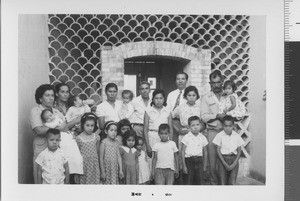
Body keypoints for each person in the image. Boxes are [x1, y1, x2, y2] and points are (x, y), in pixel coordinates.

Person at [30, 84, 68, 184]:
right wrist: (57, 126)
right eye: (47, 95)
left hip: (57, 148)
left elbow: (65, 127)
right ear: (40, 98)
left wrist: (49, 126)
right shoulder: (36, 111)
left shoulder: (56, 111)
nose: (51, 98)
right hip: (41, 146)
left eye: (52, 95)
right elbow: (39, 130)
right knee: (40, 176)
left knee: (57, 176)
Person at [41, 108, 83, 179]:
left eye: (51, 115)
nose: (51, 118)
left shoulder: (57, 118)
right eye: (48, 118)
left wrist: (64, 126)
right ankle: (69, 173)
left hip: (68, 136)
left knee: (75, 154)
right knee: (66, 156)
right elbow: (59, 127)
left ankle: (76, 171)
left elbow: (65, 126)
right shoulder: (49, 124)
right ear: (45, 120)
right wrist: (62, 125)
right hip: (61, 138)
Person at [200, 69, 225, 185]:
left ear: (222, 82)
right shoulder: (206, 98)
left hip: (227, 131)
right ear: (210, 84)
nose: (216, 85)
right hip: (213, 132)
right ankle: (214, 184)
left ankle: (225, 185)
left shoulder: (229, 96)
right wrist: (217, 116)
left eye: (218, 82)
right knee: (213, 160)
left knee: (227, 158)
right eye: (213, 83)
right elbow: (204, 117)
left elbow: (236, 112)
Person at [213, 115, 244, 185]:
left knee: (232, 182)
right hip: (222, 159)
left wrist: (234, 163)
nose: (227, 128)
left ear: (233, 126)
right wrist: (224, 163)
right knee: (222, 182)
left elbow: (239, 151)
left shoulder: (237, 136)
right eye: (225, 126)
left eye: (230, 126)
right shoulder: (219, 135)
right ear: (222, 126)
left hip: (234, 159)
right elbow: (217, 151)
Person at [143, 89, 173, 157]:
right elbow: (145, 129)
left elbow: (170, 128)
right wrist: (148, 146)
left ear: (164, 99)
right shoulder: (148, 111)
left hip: (164, 137)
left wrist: (170, 143)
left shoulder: (168, 111)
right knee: (152, 160)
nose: (158, 100)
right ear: (153, 99)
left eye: (161, 98)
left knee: (163, 159)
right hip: (152, 138)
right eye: (156, 98)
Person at [181, 116, 208, 185]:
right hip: (189, 161)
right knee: (188, 181)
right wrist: (184, 166)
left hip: (199, 161)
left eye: (197, 125)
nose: (196, 127)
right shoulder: (186, 137)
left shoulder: (202, 137)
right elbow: (182, 152)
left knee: (200, 182)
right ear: (189, 127)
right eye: (193, 125)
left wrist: (204, 165)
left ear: (200, 125)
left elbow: (205, 152)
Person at [75, 113, 101, 184]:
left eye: (92, 125)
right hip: (84, 167)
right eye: (87, 125)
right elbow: (77, 156)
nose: (90, 128)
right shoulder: (79, 139)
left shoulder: (96, 137)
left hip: (94, 167)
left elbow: (98, 153)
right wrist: (77, 172)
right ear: (83, 125)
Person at [167, 72, 188, 146]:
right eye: (178, 79)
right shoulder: (171, 94)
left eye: (183, 79)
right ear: (175, 81)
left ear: (186, 81)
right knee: (173, 145)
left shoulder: (190, 94)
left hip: (184, 124)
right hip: (172, 123)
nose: (180, 81)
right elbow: (168, 110)